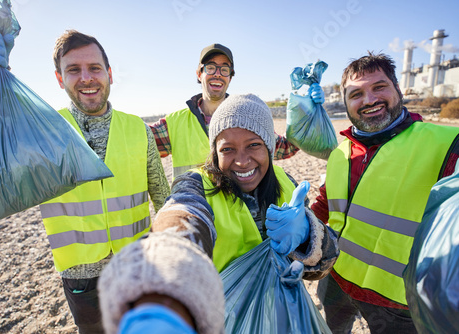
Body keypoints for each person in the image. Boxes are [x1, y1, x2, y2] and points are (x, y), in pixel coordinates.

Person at [0, 28, 171, 333]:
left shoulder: (138, 129)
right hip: (80, 279)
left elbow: (164, 199)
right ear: (60, 79)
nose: (86, 77)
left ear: (110, 74)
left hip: (137, 267)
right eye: (74, 70)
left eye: (95, 68)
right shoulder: (42, 131)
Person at [98, 93, 339, 333]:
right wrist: (165, 283)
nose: (242, 161)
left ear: (269, 147)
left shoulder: (286, 183)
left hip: (284, 317)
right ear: (215, 152)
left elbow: (321, 267)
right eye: (228, 149)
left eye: (254, 145)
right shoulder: (197, 185)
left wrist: (308, 234)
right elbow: (183, 213)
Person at [311, 52, 459, 334]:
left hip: (397, 300)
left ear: (397, 89)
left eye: (379, 87)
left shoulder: (445, 143)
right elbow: (327, 203)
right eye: (356, 94)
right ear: (346, 103)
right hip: (337, 277)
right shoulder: (341, 152)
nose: (368, 100)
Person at [148, 43, 326, 179]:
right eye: (210, 67)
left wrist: (309, 110)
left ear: (230, 77)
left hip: (236, 221)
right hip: (193, 219)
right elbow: (137, 141)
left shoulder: (246, 116)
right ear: (199, 73)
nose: (217, 74)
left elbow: (285, 147)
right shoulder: (173, 124)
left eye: (224, 70)